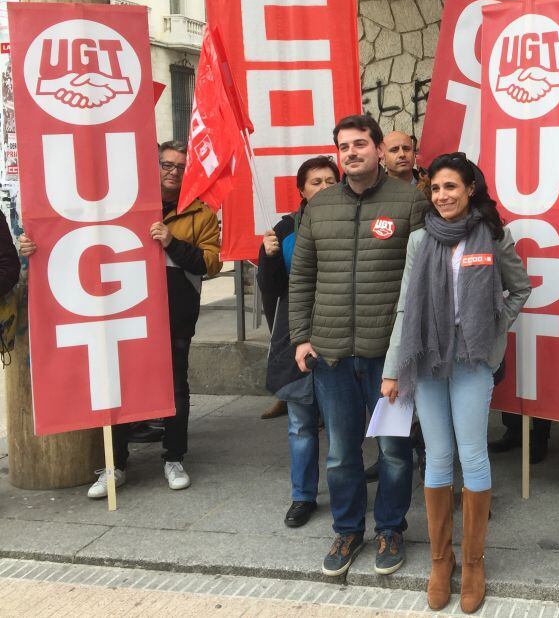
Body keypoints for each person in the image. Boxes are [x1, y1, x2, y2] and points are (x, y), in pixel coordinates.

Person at [18, 142, 222, 496]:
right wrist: (35, 248)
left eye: (180, 166)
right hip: (123, 313)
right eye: (166, 164)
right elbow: (78, 239)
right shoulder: (120, 205)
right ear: (152, 166)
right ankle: (116, 465)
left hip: (174, 317)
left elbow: (212, 264)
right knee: (117, 385)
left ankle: (174, 458)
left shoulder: (201, 213)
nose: (173, 171)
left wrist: (173, 242)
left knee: (176, 387)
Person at [380, 152, 530, 613]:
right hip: (424, 358)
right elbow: (406, 305)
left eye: (452, 187)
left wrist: (492, 324)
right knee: (439, 456)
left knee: (473, 454)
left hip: (472, 360)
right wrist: (391, 369)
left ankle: (475, 562)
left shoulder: (492, 236)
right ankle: (441, 561)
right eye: (437, 188)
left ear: (470, 190)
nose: (443, 195)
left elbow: (520, 288)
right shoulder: (420, 239)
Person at [289, 114, 428, 578]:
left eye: (360, 144)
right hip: (330, 354)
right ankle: (348, 529)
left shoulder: (410, 201)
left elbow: (422, 281)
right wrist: (300, 337)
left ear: (378, 149)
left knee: (393, 451)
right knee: (342, 452)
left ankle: (390, 527)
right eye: (343, 146)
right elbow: (302, 276)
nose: (351, 153)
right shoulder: (320, 205)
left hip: (388, 356)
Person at [258, 156, 339, 528]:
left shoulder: (352, 221)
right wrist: (269, 258)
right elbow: (273, 292)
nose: (323, 188)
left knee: (342, 426)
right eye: (315, 182)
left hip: (340, 337)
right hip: (299, 338)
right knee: (301, 425)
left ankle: (343, 492)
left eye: (329, 181)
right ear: (301, 190)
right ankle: (302, 496)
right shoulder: (285, 228)